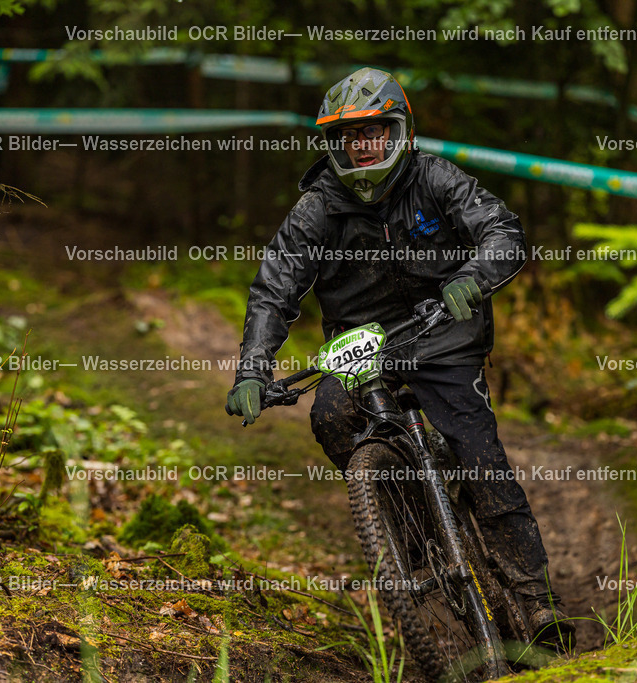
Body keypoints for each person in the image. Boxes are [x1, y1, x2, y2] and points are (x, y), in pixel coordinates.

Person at [225, 66, 573, 651]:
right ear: (334, 145)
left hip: (444, 335)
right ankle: (404, 517)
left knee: (478, 452)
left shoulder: (436, 179)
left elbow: (504, 232)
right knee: (330, 418)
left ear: (399, 132)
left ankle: (537, 601)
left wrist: (473, 277)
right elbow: (273, 290)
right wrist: (253, 368)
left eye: (374, 132)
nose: (364, 146)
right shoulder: (316, 211)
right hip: (361, 345)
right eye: (350, 137)